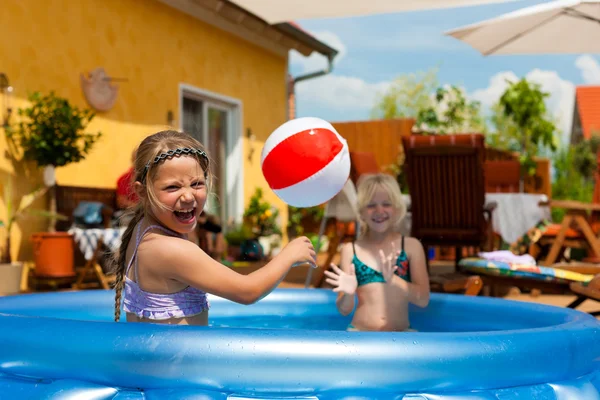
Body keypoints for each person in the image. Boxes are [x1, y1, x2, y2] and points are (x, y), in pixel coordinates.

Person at [111, 130, 316, 325]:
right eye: (173, 187)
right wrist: (289, 255)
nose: (188, 195)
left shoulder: (142, 231)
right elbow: (248, 291)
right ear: (142, 192)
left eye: (197, 184)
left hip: (159, 360)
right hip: (178, 362)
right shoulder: (170, 249)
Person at [324, 173, 430, 332]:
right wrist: (347, 293)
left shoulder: (411, 247)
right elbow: (344, 310)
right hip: (359, 335)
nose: (379, 210)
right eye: (371, 205)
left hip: (401, 336)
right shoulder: (351, 250)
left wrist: (394, 280)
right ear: (361, 211)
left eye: (386, 204)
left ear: (397, 209)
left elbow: (423, 300)